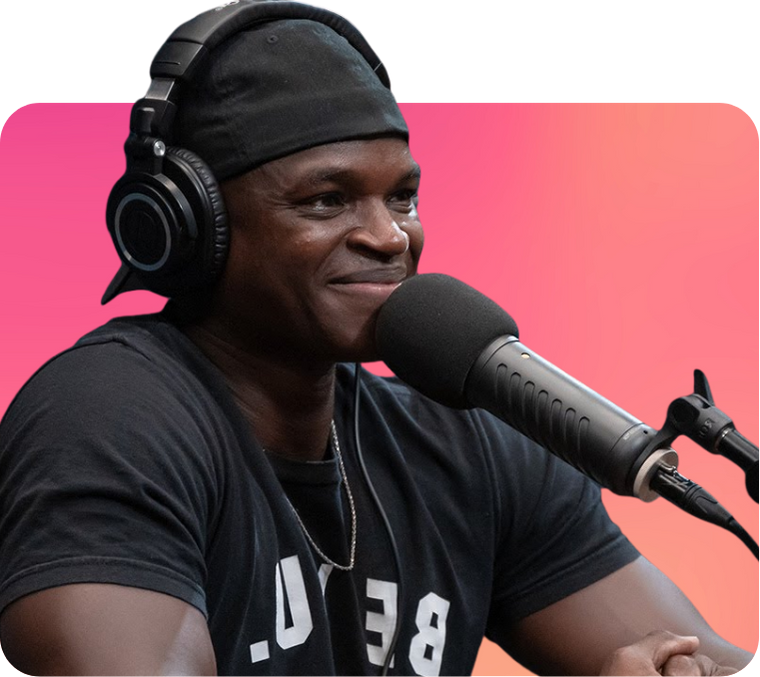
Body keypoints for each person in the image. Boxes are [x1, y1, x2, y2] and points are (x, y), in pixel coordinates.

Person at [0, 2, 754, 676]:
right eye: (327, 201)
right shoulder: (107, 419)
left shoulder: (469, 446)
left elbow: (694, 656)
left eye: (403, 197)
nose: (390, 236)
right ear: (190, 228)